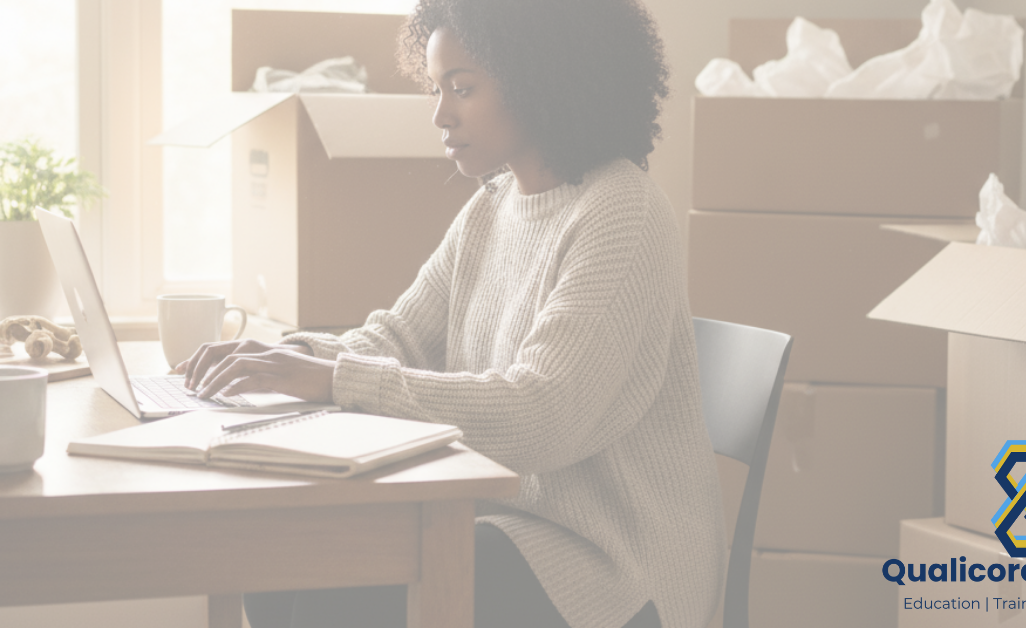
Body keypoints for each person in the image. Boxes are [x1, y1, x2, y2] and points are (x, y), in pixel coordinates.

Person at [176, 0, 725, 626]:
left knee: (336, 586)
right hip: (501, 519)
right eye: (436, 89)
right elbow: (399, 338)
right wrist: (290, 360)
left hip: (609, 563)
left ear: (540, 78)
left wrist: (334, 380)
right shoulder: (493, 206)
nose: (440, 114)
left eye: (462, 88)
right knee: (283, 557)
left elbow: (542, 414)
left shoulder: (621, 213)